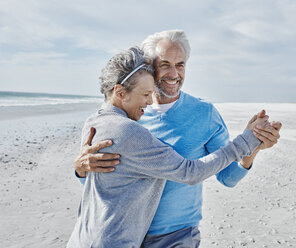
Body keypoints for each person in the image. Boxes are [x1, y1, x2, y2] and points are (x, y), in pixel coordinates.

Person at [74, 30, 282, 247]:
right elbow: (99, 185)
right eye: (164, 64)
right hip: (126, 236)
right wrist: (80, 169)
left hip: (176, 236)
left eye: (180, 65)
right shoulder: (128, 116)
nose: (174, 74)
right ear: (148, 67)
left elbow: (228, 178)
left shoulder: (204, 113)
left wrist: (254, 146)